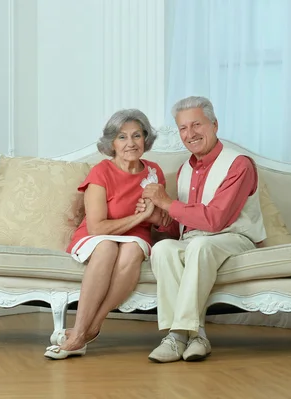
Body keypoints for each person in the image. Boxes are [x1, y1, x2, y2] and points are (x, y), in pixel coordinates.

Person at [135, 96, 267, 363]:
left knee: (199, 245)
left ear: (215, 125)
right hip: (197, 241)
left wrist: (168, 202)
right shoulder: (185, 169)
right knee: (163, 249)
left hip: (236, 238)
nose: (190, 134)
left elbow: (216, 220)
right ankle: (195, 336)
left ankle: (176, 335)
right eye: (183, 128)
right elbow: (183, 230)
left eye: (197, 125)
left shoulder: (239, 164)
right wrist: (159, 218)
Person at [44, 109, 171, 360]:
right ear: (111, 142)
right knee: (107, 247)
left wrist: (155, 218)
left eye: (137, 135)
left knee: (132, 250)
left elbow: (165, 222)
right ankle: (80, 330)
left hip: (136, 237)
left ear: (146, 139)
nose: (131, 143)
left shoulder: (154, 172)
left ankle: (89, 329)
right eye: (122, 137)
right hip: (97, 236)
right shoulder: (101, 172)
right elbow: (97, 228)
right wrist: (141, 217)